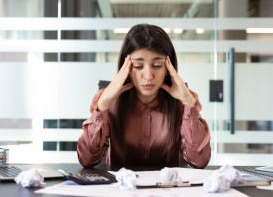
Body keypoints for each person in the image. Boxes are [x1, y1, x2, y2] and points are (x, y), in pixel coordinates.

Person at [77, 24, 211, 168]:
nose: (148, 76)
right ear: (126, 68)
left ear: (168, 67)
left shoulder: (183, 102)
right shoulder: (108, 101)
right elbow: (87, 160)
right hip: (122, 188)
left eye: (157, 65)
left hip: (168, 188)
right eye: (138, 66)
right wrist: (103, 104)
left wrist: (188, 104)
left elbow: (199, 161)